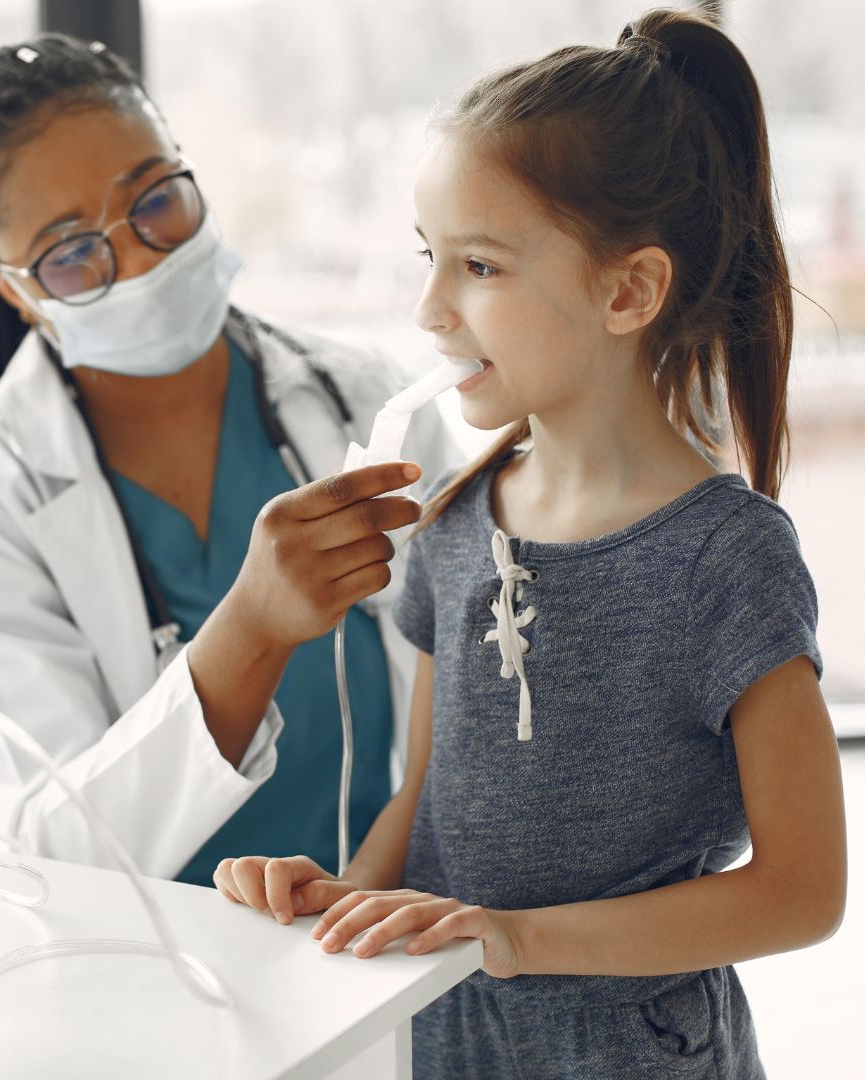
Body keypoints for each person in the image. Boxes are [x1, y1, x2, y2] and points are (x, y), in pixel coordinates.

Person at [214, 8, 848, 1077]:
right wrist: (345, 901)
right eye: (430, 258)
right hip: (447, 1041)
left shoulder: (727, 561)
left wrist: (516, 938)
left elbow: (803, 892)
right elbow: (426, 810)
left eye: (480, 267)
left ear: (629, 290)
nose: (427, 308)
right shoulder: (455, 519)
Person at [0, 33, 457, 886]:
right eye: (71, 253)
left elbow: (472, 710)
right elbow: (57, 850)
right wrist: (250, 632)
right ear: (13, 290)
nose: (142, 258)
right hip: (139, 981)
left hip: (366, 951)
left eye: (154, 200)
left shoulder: (357, 395)